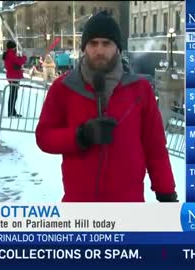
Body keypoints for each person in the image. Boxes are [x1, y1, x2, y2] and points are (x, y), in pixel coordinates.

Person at [35, 11, 178, 202]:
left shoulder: (140, 89)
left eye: (106, 43)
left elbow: (155, 147)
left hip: (128, 206)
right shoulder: (63, 87)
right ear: (84, 47)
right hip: (80, 206)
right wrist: (80, 135)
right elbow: (44, 136)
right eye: (93, 44)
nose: (99, 50)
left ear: (117, 47)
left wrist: (166, 192)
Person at [2, 40, 27, 117]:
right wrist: (24, 57)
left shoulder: (9, 54)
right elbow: (20, 62)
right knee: (13, 95)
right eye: (15, 47)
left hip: (12, 76)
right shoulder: (11, 54)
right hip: (14, 77)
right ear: (13, 47)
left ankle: (12, 111)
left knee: (13, 95)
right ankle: (11, 112)